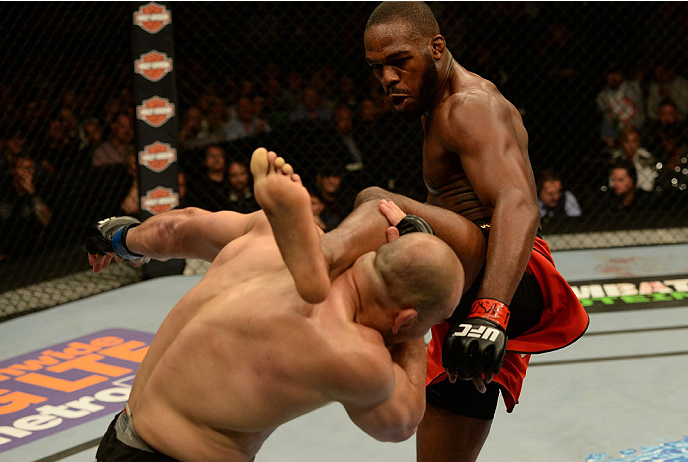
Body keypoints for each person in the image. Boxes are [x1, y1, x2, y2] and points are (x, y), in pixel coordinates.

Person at [87, 147, 469, 462]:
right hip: (178, 456)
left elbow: (178, 227)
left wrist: (120, 237)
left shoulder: (269, 236)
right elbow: (401, 424)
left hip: (120, 436)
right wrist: (415, 336)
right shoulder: (352, 354)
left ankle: (328, 252)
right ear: (404, 318)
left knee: (346, 223)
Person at [363, 3, 589, 461]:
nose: (387, 78)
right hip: (477, 286)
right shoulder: (437, 103)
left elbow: (519, 203)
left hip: (506, 279)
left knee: (371, 203)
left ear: (437, 48)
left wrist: (491, 313)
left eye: (399, 61)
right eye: (377, 67)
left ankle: (299, 281)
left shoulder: (470, 106)